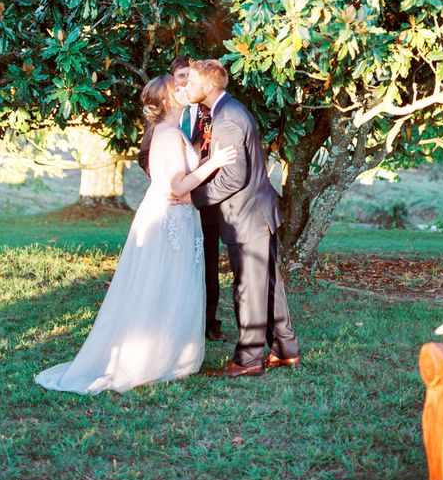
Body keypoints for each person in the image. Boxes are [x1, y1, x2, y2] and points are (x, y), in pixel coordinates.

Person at [34, 74, 236, 394]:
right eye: (177, 87)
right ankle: (153, 359)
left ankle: (174, 353)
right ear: (168, 100)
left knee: (176, 282)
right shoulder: (168, 135)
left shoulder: (173, 132)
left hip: (181, 216)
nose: (184, 89)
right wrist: (215, 164)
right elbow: (177, 186)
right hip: (167, 218)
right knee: (162, 283)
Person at [187, 59, 300, 378]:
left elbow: (233, 178)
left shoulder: (227, 119)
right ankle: (285, 349)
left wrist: (192, 198)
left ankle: (249, 359)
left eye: (192, 82)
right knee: (268, 285)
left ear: (209, 85)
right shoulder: (227, 111)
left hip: (247, 217)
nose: (187, 87)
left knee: (248, 288)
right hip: (255, 214)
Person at [139, 56, 226, 342]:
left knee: (201, 269)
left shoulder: (211, 113)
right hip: (172, 206)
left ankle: (202, 324)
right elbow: (153, 162)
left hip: (203, 203)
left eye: (190, 79)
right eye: (180, 80)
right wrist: (166, 180)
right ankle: (164, 338)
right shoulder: (165, 130)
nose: (185, 85)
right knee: (167, 274)